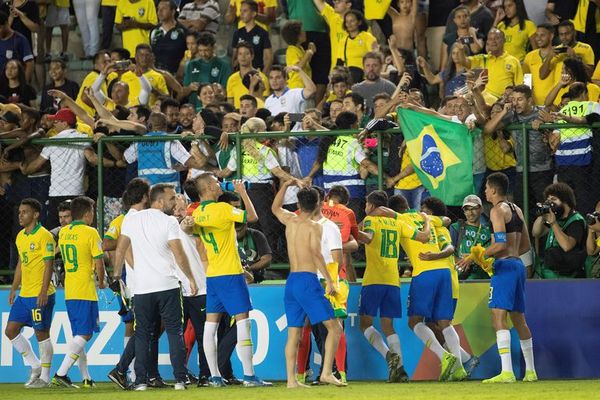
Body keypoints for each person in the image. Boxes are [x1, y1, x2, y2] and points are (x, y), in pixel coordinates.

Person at [112, 184, 197, 391]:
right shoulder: (168, 221)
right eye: (171, 199)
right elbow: (178, 253)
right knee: (174, 332)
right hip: (167, 285)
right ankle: (180, 380)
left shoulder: (131, 220)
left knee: (142, 333)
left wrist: (116, 275)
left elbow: (120, 249)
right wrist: (191, 278)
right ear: (158, 201)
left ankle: (141, 381)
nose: (174, 202)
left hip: (142, 288)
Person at [192, 173, 271, 387]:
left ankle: (215, 377)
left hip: (213, 275)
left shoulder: (198, 213)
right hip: (230, 272)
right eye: (216, 183)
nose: (219, 185)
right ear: (209, 187)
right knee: (243, 321)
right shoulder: (223, 209)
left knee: (211, 325)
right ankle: (249, 376)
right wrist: (243, 192)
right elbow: (252, 217)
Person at [271, 181, 345, 388]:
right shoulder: (314, 227)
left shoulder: (290, 220)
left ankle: (291, 380)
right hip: (307, 280)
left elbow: (275, 208)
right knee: (335, 328)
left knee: (294, 333)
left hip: (291, 281)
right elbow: (315, 253)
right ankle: (327, 373)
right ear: (318, 204)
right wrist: (330, 280)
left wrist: (285, 185)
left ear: (299, 203)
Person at [477, 172, 537, 383]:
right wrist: (511, 253)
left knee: (498, 316)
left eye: (486, 188)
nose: (484, 191)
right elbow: (526, 245)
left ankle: (507, 372)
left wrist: (480, 254)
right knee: (519, 319)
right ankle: (530, 372)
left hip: (504, 268)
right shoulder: (517, 209)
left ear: (493, 190)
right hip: (518, 265)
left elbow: (500, 244)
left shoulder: (496, 211)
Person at [52, 196, 106, 388]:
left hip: (70, 290)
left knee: (78, 335)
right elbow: (99, 261)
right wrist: (102, 282)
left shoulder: (64, 232)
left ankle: (86, 377)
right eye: (92, 211)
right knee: (85, 334)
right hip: (85, 289)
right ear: (88, 213)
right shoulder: (91, 232)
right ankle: (61, 373)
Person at [357, 190, 408, 383]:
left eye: (366, 204)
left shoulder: (371, 220)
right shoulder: (395, 222)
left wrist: (352, 231)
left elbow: (367, 237)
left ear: (371, 205)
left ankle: (389, 356)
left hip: (374, 279)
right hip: (393, 280)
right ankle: (400, 370)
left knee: (365, 324)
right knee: (389, 326)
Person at [483, 85, 557, 213]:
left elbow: (556, 128)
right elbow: (488, 129)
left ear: (529, 101)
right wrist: (503, 112)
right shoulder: (511, 116)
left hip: (542, 170)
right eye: (513, 99)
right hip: (521, 170)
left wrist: (547, 123)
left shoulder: (541, 112)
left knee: (546, 210)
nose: (515, 103)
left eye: (520, 99)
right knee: (522, 210)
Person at [5, 198, 55, 388]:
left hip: (40, 295)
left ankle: (45, 377)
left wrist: (43, 291)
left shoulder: (44, 236)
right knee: (10, 331)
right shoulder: (20, 236)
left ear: (35, 214)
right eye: (19, 212)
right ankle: (35, 365)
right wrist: (13, 288)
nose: (20, 215)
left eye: (25, 212)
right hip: (25, 295)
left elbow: (49, 265)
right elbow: (20, 264)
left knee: (41, 333)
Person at [172, 194, 210, 386]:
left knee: (205, 334)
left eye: (181, 208)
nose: (179, 212)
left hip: (199, 289)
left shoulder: (189, 223)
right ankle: (181, 374)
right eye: (175, 208)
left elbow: (188, 225)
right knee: (176, 335)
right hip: (177, 290)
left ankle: (205, 375)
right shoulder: (167, 227)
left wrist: (187, 221)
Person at [532, 183, 587, 279]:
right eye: (548, 200)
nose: (550, 203)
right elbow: (536, 233)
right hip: (550, 272)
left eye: (553, 199)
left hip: (569, 276)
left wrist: (553, 223)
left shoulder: (577, 221)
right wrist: (542, 215)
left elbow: (567, 246)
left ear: (565, 201)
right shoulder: (557, 217)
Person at [456, 28, 523, 105]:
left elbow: (519, 86)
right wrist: (461, 49)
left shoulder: (513, 61)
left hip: (502, 103)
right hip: (484, 101)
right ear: (487, 42)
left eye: (497, 38)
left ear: (504, 40)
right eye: (490, 39)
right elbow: (464, 62)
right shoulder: (483, 58)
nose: (493, 41)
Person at [183, 32, 232, 111]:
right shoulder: (192, 65)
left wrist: (215, 92)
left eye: (206, 50)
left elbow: (225, 94)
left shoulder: (224, 66)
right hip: (193, 111)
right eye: (200, 50)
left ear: (213, 48)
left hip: (214, 110)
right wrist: (189, 88)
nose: (203, 54)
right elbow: (183, 91)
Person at [450, 195, 491, 280]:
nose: (470, 213)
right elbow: (449, 253)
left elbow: (492, 255)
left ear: (481, 209)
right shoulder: (456, 227)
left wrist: (473, 259)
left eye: (474, 208)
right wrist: (462, 262)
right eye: (467, 209)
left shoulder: (489, 231)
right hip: (461, 277)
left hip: (484, 279)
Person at [523, 24, 560, 106]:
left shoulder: (560, 55)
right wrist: (529, 99)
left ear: (551, 36)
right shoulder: (529, 56)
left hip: (555, 104)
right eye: (537, 35)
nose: (538, 38)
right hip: (535, 104)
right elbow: (527, 82)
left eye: (542, 35)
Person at [338, 10, 378, 84]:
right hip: (348, 75)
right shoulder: (343, 40)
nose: (349, 24)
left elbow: (375, 56)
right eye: (347, 22)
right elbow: (340, 62)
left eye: (352, 21)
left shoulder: (367, 37)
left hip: (364, 75)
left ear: (359, 22)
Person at [311, 0, 352, 74]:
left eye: (339, 1)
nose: (335, 3)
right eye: (335, 1)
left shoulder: (358, 22)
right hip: (335, 70)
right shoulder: (333, 18)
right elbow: (318, 1)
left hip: (353, 70)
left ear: (348, 4)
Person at [231, 0, 272, 74]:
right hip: (240, 75)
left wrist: (263, 75)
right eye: (241, 11)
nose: (242, 14)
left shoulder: (262, 33)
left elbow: (268, 58)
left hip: (257, 73)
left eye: (245, 11)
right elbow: (234, 58)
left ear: (253, 14)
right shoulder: (237, 33)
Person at [150, 0, 187, 74]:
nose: (160, 12)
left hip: (176, 75)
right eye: (158, 9)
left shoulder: (182, 31)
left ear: (173, 12)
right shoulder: (154, 31)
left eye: (164, 8)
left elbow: (187, 55)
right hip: (157, 74)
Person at [281, 20, 314, 89]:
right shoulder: (291, 50)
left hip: (305, 85)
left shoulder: (300, 48)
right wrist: (307, 54)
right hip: (297, 86)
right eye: (302, 32)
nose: (305, 33)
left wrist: (310, 51)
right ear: (297, 36)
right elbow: (298, 67)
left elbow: (305, 64)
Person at [0, 11, 33, 82]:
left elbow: (29, 63)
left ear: (6, 24)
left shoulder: (20, 39)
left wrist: (24, 85)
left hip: (14, 83)